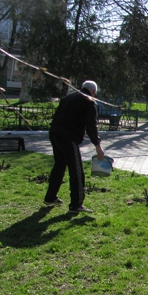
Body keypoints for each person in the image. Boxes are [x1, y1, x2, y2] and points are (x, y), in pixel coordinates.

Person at [44, 80, 105, 213]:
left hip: (54, 133)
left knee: (59, 165)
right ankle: (76, 204)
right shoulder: (89, 101)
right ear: (93, 92)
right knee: (76, 170)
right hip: (68, 137)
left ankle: (50, 197)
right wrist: (98, 147)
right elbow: (91, 127)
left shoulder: (68, 97)